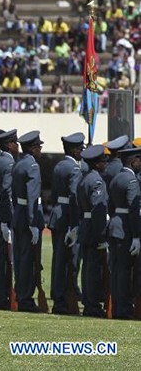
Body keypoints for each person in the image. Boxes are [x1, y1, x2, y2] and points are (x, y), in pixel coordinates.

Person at [49, 132, 84, 314]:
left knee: (58, 259)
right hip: (68, 217)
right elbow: (74, 197)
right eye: (79, 149)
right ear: (72, 150)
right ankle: (62, 298)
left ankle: (58, 296)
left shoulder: (59, 166)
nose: (81, 152)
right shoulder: (74, 169)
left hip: (57, 214)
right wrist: (74, 224)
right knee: (70, 260)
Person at [11, 131, 45, 312]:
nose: (40, 150)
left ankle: (21, 294)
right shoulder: (32, 166)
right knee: (28, 260)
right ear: (32, 148)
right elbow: (32, 196)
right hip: (28, 216)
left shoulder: (19, 164)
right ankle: (25, 298)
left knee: (21, 257)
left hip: (19, 213)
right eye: (39, 147)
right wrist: (33, 223)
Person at [108, 147, 141, 319]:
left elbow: (110, 205)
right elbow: (134, 210)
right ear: (133, 161)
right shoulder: (132, 180)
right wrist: (136, 235)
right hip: (125, 229)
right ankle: (124, 309)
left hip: (114, 225)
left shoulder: (116, 178)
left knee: (116, 270)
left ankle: (116, 307)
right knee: (124, 271)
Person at [77, 144, 110, 317]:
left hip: (85, 226)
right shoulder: (96, 180)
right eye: (103, 161)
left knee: (88, 267)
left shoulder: (84, 179)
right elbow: (98, 209)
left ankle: (89, 301)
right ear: (97, 164)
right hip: (93, 228)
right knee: (94, 269)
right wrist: (101, 234)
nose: (106, 164)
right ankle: (93, 305)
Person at [0, 129, 18, 310]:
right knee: (3, 259)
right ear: (9, 144)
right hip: (4, 214)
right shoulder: (8, 163)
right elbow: (7, 193)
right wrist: (9, 219)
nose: (17, 147)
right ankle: (2, 298)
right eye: (15, 143)